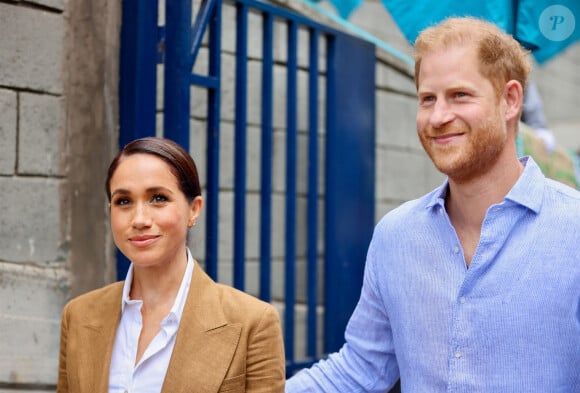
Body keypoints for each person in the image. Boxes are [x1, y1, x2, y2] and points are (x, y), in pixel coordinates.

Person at [286, 17, 580, 392]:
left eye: (459, 95)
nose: (438, 117)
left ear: (510, 100)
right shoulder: (396, 234)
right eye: (428, 99)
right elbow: (359, 370)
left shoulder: (573, 229)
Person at [57, 137, 285, 393]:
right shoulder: (78, 316)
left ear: (194, 210)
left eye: (158, 198)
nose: (140, 219)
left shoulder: (252, 323)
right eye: (124, 201)